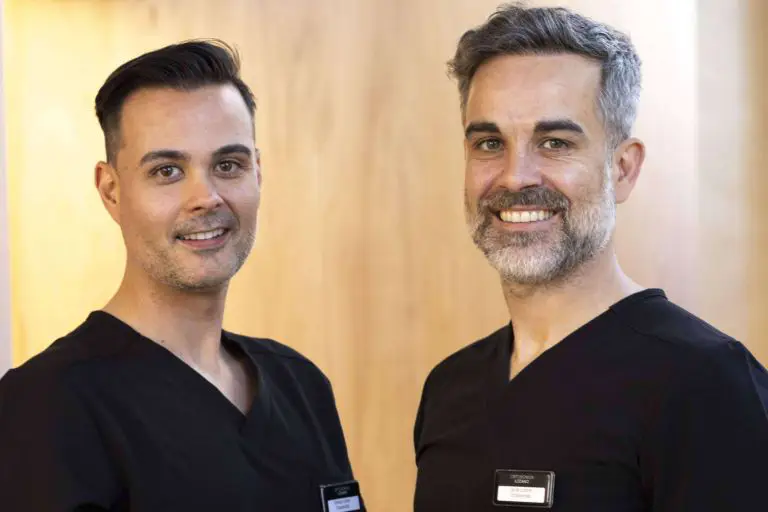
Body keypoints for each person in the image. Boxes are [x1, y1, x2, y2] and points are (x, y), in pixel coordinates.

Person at [413, 4, 768, 511]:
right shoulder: (451, 389)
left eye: (554, 142)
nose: (515, 177)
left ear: (622, 169)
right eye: (490, 143)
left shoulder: (705, 383)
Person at [0, 40, 362, 511]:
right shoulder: (47, 404)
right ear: (111, 191)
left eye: (228, 165)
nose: (205, 197)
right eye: (167, 171)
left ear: (258, 173)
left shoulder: (302, 387)